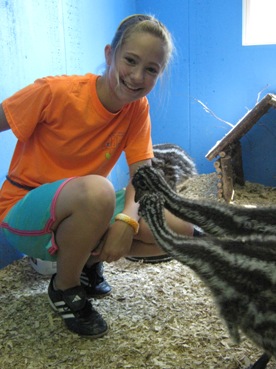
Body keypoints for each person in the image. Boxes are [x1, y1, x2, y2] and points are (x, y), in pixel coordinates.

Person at [0, 14, 194, 338]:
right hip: (24, 207)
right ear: (110, 55)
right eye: (130, 60)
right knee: (99, 191)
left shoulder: (138, 108)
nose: (136, 76)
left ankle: (86, 264)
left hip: (84, 205)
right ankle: (64, 287)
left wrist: (127, 222)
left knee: (180, 229)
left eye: (151, 69)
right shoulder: (55, 92)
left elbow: (142, 175)